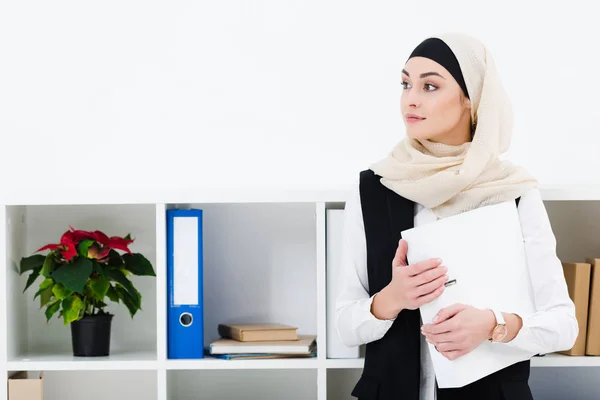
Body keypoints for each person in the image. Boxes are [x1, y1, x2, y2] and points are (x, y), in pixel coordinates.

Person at [335, 33, 578, 400]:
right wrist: (393, 297)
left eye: (430, 85)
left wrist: (494, 325)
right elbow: (345, 326)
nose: (410, 99)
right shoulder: (374, 188)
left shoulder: (513, 192)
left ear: (471, 99)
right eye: (405, 84)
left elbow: (563, 326)